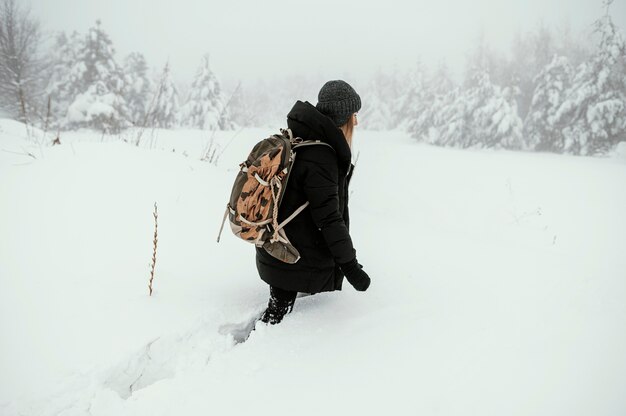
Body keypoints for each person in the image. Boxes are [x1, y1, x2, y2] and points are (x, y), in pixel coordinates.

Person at [256, 80, 371, 325]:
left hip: (279, 247)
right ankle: (240, 357)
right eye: (354, 114)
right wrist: (350, 267)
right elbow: (329, 218)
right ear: (343, 116)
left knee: (276, 315)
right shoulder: (321, 156)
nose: (357, 121)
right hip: (292, 256)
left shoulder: (302, 138)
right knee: (274, 323)